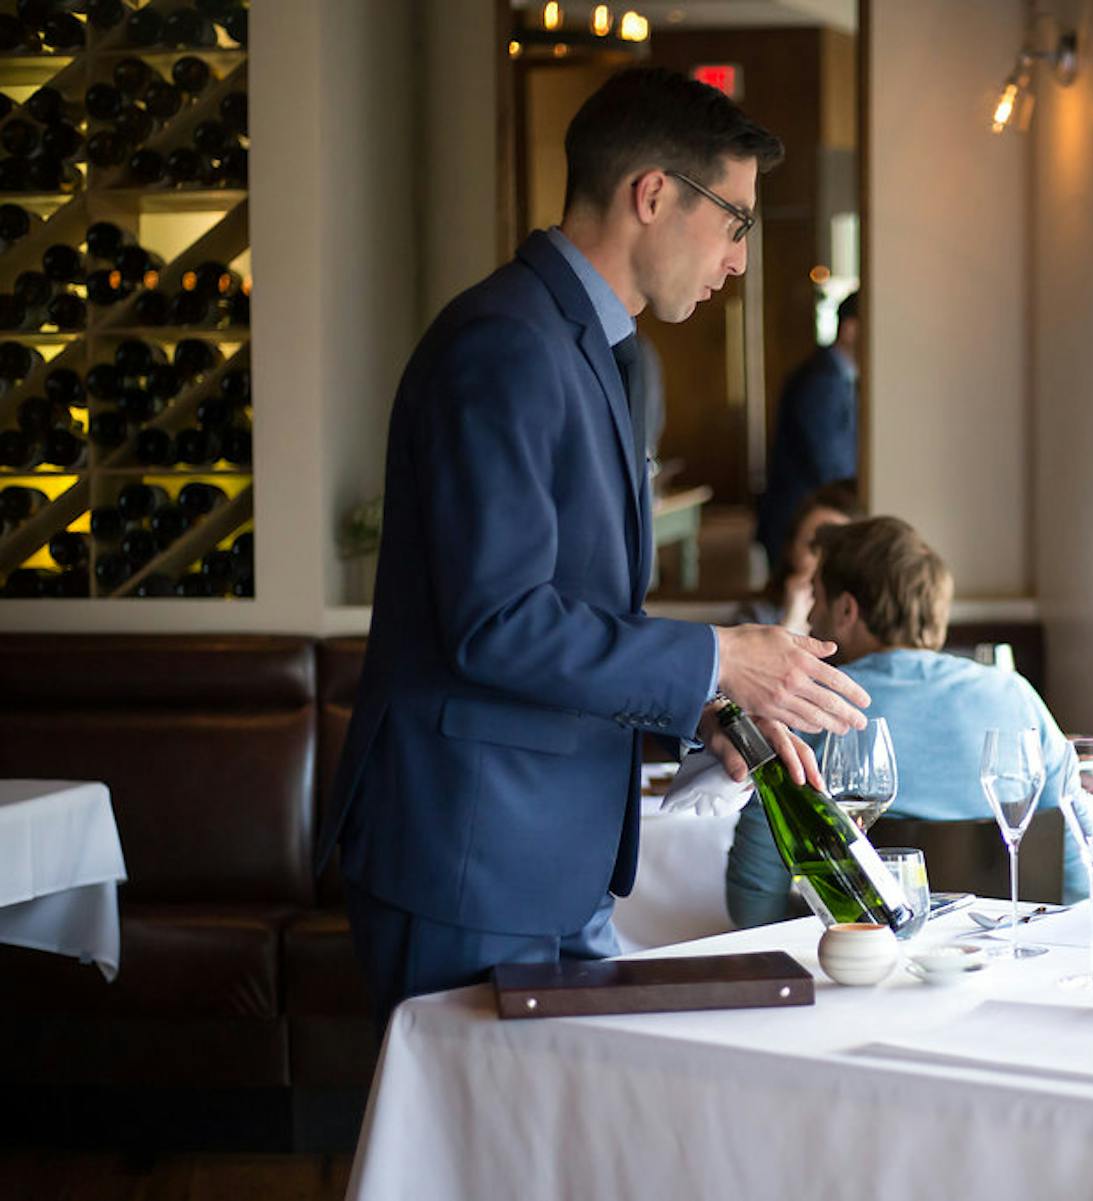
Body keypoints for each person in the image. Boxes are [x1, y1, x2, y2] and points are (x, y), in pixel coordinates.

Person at [317, 68, 871, 1030]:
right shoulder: (505, 343)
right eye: (735, 221)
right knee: (475, 1169)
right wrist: (716, 656)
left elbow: (571, 612)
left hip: (547, 857)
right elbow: (497, 622)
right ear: (652, 194)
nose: (740, 259)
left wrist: (701, 704)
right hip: (473, 858)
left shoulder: (586, 348)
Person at [725, 515, 1078, 928]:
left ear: (846, 609)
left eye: (816, 597)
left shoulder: (809, 707)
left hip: (853, 965)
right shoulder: (1016, 697)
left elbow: (752, 905)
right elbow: (1076, 871)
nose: (810, 616)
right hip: (999, 960)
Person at [755, 291, 859, 572]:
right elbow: (831, 465)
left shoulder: (836, 376)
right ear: (850, 329)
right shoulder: (822, 380)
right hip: (796, 525)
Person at [733, 479, 861, 632]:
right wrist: (792, 622)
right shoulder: (756, 617)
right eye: (813, 547)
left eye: (836, 550)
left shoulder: (862, 623)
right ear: (791, 549)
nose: (822, 562)